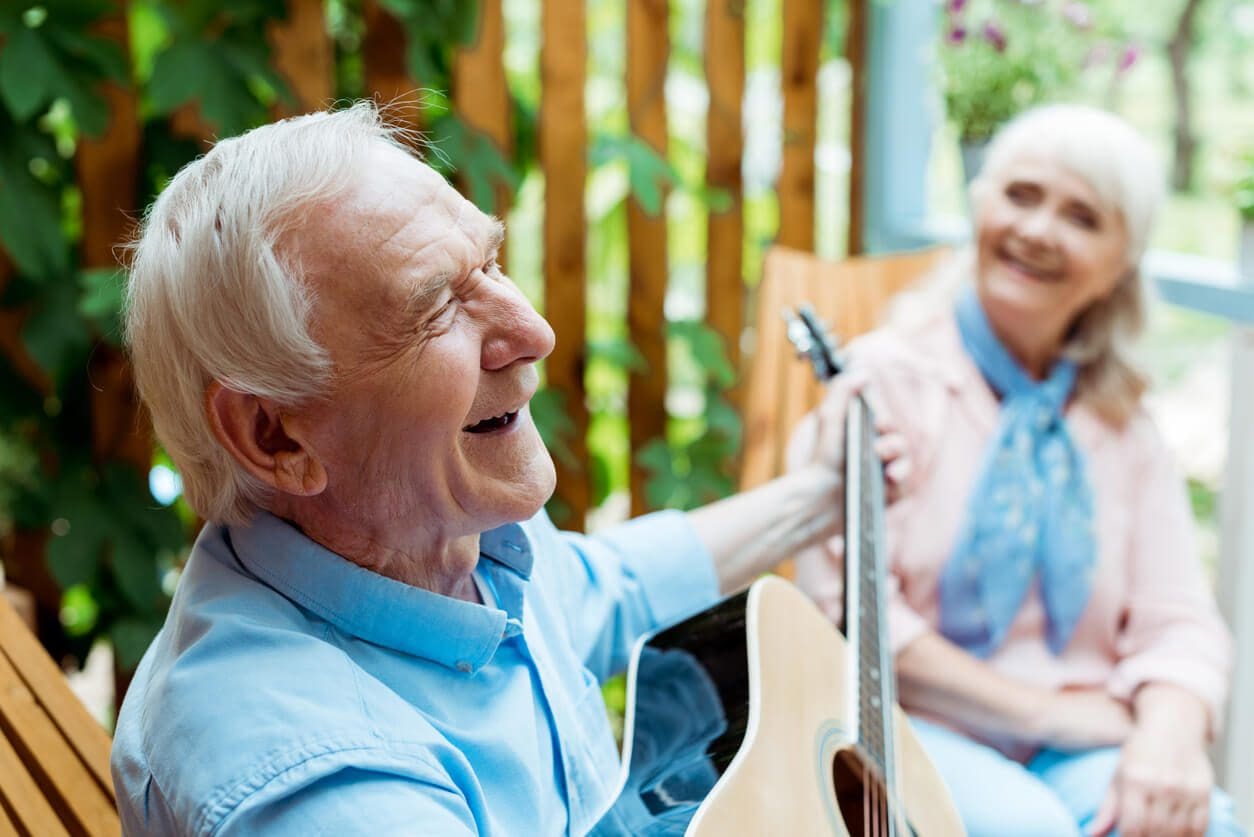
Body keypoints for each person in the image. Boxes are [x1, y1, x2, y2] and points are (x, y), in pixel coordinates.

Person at [110, 102, 889, 836]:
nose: (534, 330)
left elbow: (599, 588)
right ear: (275, 435)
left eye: (489, 261)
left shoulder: (445, 529)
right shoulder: (327, 781)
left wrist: (819, 494)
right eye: (434, 310)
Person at [789, 104, 1242, 837]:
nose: (1036, 230)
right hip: (910, 723)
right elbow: (849, 612)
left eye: (1082, 217)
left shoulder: (1127, 424)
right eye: (1021, 196)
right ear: (980, 207)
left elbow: (1179, 619)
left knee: (1201, 820)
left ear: (1121, 265)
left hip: (1080, 739)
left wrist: (1169, 738)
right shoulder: (883, 383)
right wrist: (1046, 711)